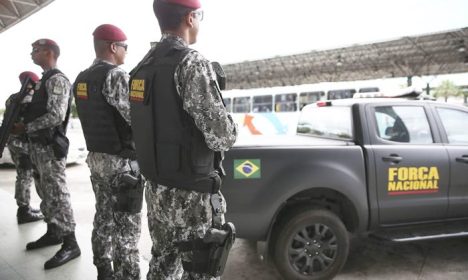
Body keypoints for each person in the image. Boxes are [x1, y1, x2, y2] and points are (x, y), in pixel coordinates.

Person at [129, 0, 237, 279]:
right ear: (191, 18)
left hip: (157, 191)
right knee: (200, 272)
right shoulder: (191, 62)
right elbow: (221, 136)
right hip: (191, 197)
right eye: (198, 16)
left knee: (162, 266)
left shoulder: (141, 68)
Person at [73, 24, 143, 280]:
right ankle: (127, 276)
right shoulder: (116, 76)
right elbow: (136, 119)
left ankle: (103, 269)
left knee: (103, 215)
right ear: (113, 47)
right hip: (121, 163)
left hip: (96, 159)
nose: (126, 52)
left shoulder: (81, 78)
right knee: (127, 226)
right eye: (125, 47)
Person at [19, 38, 81, 269]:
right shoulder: (42, 81)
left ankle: (71, 242)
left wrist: (26, 127)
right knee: (45, 192)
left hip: (50, 147)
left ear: (49, 52)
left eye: (35, 50)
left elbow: (55, 115)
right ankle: (54, 232)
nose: (31, 54)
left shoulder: (57, 80)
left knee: (57, 194)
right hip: (38, 147)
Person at [6, 71, 44, 224]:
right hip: (25, 144)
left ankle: (24, 207)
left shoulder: (12, 98)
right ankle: (24, 211)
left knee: (22, 175)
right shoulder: (31, 99)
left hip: (14, 142)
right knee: (26, 176)